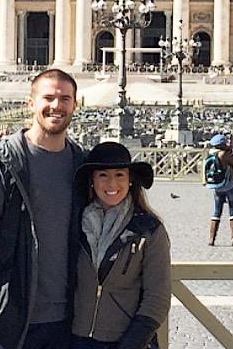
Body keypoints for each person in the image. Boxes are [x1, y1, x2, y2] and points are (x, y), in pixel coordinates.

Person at [0, 68, 86, 349]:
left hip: (71, 322)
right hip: (8, 322)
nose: (57, 105)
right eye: (48, 97)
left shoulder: (83, 164)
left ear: (75, 105)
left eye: (65, 99)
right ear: (30, 103)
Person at [70, 142, 171, 349]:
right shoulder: (74, 225)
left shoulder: (150, 230)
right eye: (103, 175)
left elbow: (157, 298)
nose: (112, 184)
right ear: (92, 180)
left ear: (130, 180)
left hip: (125, 340)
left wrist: (131, 344)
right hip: (77, 339)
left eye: (119, 175)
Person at [204, 133, 233, 246]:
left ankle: (212, 239)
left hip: (217, 186)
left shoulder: (210, 154)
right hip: (229, 185)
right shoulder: (224, 154)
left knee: (216, 211)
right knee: (232, 211)